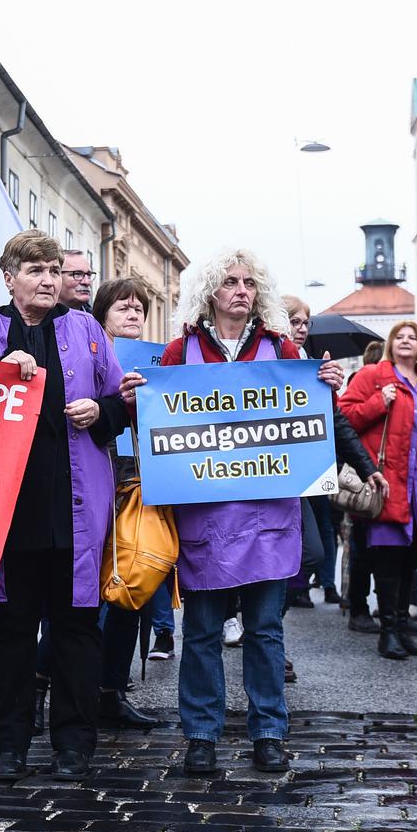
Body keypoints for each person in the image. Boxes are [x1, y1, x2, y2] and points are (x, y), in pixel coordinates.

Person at [135, 249, 344, 775]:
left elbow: (309, 421)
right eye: (230, 281)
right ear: (211, 291)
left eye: (249, 282)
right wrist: (138, 395)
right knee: (203, 630)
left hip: (268, 515)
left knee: (266, 630)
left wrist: (328, 386)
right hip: (205, 515)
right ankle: (201, 735)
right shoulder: (180, 350)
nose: (241, 290)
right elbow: (160, 423)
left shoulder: (282, 347)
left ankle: (269, 731)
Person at [0, 230, 127, 781]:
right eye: (35, 270)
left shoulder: (88, 330)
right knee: (11, 631)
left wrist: (100, 413)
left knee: (77, 629)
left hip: (75, 507)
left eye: (54, 269)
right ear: (10, 278)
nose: (49, 279)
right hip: (9, 510)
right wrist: (0, 374)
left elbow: (123, 403)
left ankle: (74, 744)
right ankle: (10, 744)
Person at [341, 320, 417, 661]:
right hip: (386, 480)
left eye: (413, 337)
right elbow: (344, 417)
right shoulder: (374, 376)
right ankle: (388, 634)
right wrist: (379, 402)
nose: (407, 341)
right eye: (400, 337)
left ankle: (401, 629)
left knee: (409, 556)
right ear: (391, 344)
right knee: (387, 557)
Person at [92, 277, 163, 729]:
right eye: (123, 307)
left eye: (139, 307)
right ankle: (45, 682)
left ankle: (110, 693)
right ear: (104, 317)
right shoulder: (92, 355)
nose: (134, 313)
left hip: (143, 486)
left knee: (130, 590)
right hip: (102, 485)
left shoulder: (159, 361)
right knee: (91, 598)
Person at [284, 296, 341, 609]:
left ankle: (270, 623)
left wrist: (328, 391)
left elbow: (331, 418)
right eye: (295, 322)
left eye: (306, 323)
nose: (302, 328)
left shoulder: (310, 359)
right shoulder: (271, 354)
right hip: (268, 467)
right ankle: (265, 635)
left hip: (306, 467)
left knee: (313, 548)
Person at [343, 339, 387, 633]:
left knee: (393, 547)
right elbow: (345, 418)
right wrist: (379, 403)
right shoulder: (366, 379)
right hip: (367, 471)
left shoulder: (409, 379)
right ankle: (358, 606)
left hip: (395, 473)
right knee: (361, 543)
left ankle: (393, 612)